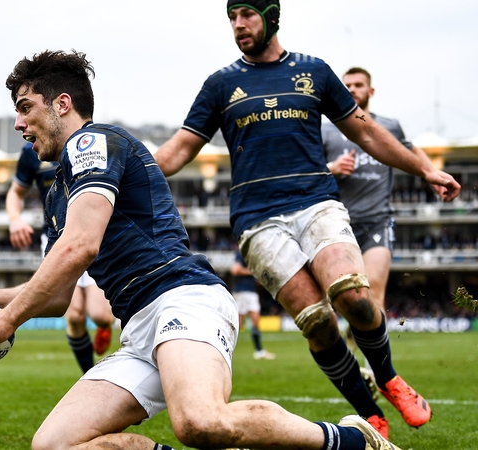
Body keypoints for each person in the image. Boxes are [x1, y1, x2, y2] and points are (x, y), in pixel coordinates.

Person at [0, 49, 400, 450]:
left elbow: (80, 248)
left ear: (63, 104)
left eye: (25, 108)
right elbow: (61, 295)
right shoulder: (58, 190)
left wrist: (5, 321)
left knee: (201, 422)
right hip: (140, 326)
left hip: (184, 299)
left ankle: (355, 440)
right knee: (54, 444)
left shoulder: (91, 142)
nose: (19, 123)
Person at [154, 0, 460, 440]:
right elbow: (180, 149)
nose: (238, 25)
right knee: (316, 320)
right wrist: (127, 168)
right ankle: (368, 411)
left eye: (247, 14)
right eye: (232, 17)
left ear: (271, 16)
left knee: (354, 297)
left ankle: (390, 377)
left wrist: (425, 168)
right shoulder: (221, 84)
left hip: (316, 203)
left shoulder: (314, 71)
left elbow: (367, 131)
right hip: (256, 220)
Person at [323, 66, 436, 398]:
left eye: (359, 85)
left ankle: (379, 373)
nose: (353, 89)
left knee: (373, 296)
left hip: (377, 221)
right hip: (338, 223)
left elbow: (410, 150)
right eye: (347, 86)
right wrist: (331, 168)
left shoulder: (388, 126)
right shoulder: (326, 132)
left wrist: (432, 173)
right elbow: (309, 169)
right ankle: (351, 350)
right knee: (348, 301)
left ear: (370, 92)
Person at [6, 143, 115, 373]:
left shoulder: (90, 143)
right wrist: (15, 218)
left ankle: (104, 327)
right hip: (57, 239)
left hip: (93, 236)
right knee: (73, 316)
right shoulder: (31, 151)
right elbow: (16, 192)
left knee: (101, 315)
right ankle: (89, 374)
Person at [231, 250, 275, 360]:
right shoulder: (242, 253)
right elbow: (235, 270)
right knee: (238, 324)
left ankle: (259, 351)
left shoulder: (253, 255)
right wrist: (253, 272)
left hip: (250, 292)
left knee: (255, 322)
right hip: (242, 292)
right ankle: (225, 349)